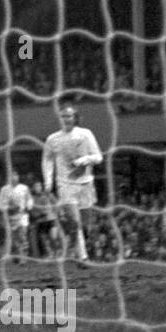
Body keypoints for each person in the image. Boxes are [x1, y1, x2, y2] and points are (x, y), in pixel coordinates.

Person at [41, 103, 103, 265]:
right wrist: (48, 182)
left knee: (85, 224)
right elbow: (47, 160)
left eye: (69, 116)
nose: (66, 119)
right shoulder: (52, 139)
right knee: (74, 223)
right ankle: (83, 258)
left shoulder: (85, 134)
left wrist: (83, 161)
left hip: (85, 184)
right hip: (65, 185)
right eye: (63, 116)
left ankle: (83, 246)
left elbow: (98, 157)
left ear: (75, 118)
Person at [0, 170, 33, 261]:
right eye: (11, 176)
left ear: (18, 177)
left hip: (22, 215)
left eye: (15, 175)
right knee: (14, 238)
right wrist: (8, 208)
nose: (14, 177)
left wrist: (28, 207)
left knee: (23, 235)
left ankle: (24, 257)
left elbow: (30, 199)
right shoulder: (4, 190)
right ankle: (17, 256)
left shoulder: (24, 188)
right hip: (10, 217)